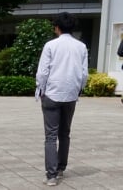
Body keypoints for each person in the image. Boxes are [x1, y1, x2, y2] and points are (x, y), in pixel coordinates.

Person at [36, 12, 88, 187]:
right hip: (71, 95)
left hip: (52, 93)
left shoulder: (50, 45)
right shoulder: (81, 47)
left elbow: (43, 72)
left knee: (50, 135)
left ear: (57, 27)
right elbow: (84, 74)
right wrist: (79, 89)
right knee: (64, 133)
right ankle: (61, 167)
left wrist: (40, 89)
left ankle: (51, 176)